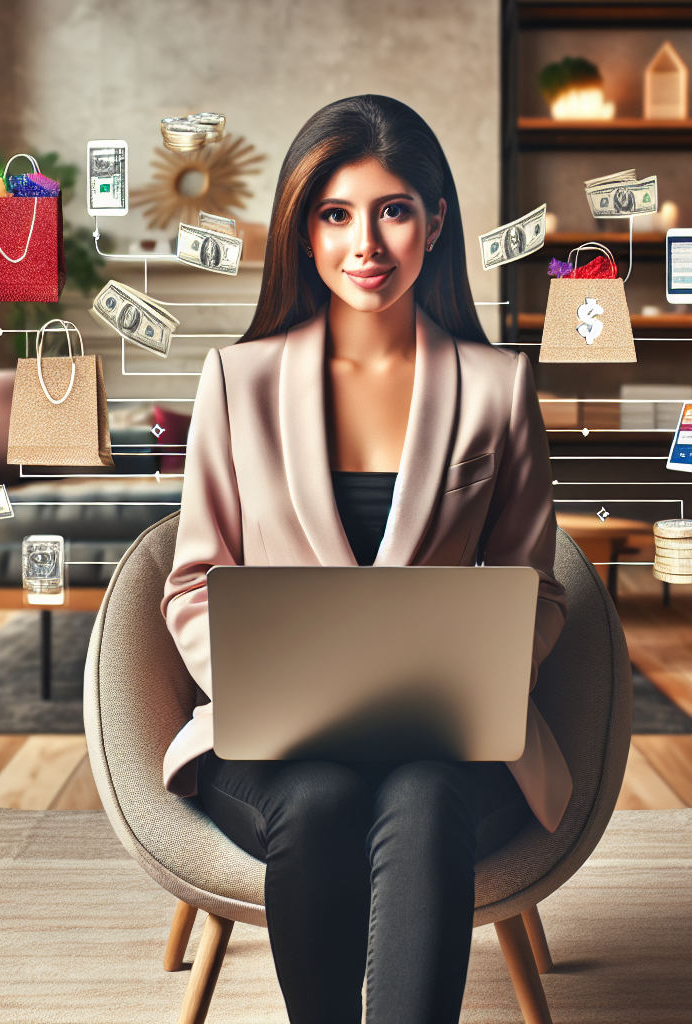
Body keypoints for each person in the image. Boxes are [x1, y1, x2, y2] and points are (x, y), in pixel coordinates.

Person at [162, 95, 571, 1024]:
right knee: (316, 799)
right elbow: (192, 579)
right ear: (303, 230)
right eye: (336, 214)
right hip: (274, 743)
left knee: (424, 799)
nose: (367, 245)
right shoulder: (237, 381)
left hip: (446, 739)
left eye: (393, 210)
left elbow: (537, 589)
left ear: (435, 220)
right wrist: (264, 684)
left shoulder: (499, 389)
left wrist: (492, 671)